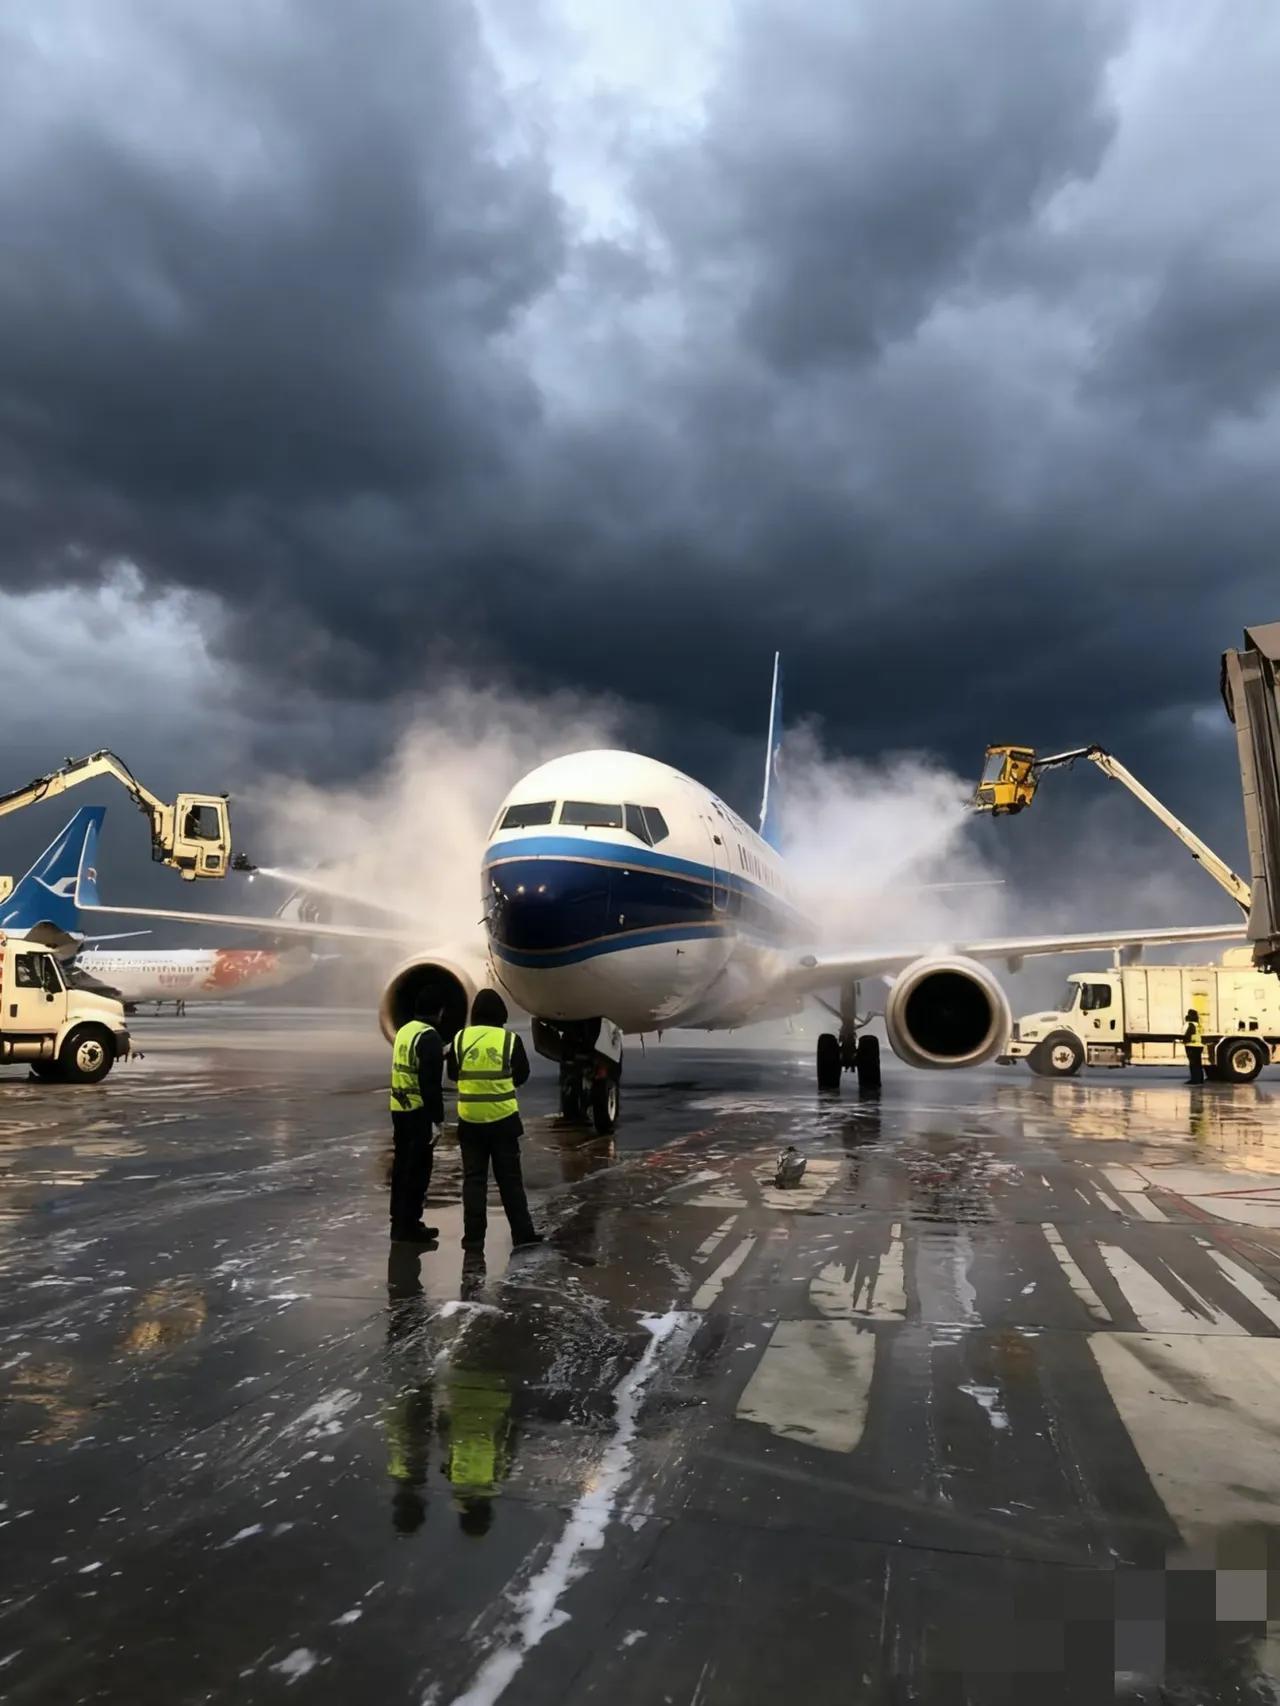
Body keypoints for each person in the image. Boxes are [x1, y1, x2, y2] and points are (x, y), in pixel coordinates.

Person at [446, 989, 541, 1253]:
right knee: (510, 1182)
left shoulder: (460, 1038)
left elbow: (453, 1073)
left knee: (474, 1181)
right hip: (503, 1121)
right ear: (501, 1013)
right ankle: (523, 1234)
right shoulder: (509, 1040)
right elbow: (522, 1075)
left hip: (470, 1122)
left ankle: (473, 1238)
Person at [388, 993, 446, 1244]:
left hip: (398, 1109)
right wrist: (438, 1119)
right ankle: (409, 1227)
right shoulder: (429, 1036)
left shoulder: (405, 1032)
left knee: (401, 1168)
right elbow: (429, 1083)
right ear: (439, 1013)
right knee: (418, 1171)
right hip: (418, 1111)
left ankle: (399, 1222)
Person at [1183, 1006, 1206, 1086]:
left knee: (1193, 1064)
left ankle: (1194, 1080)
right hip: (1199, 1045)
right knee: (1198, 1064)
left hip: (1191, 1045)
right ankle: (1200, 1079)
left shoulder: (1190, 1024)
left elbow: (1187, 1034)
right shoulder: (1198, 1025)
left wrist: (1183, 1040)